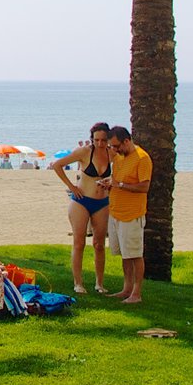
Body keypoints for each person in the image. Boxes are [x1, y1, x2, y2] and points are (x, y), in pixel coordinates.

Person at [50, 122, 116, 294]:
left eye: (103, 140)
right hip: (81, 201)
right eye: (96, 140)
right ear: (91, 139)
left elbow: (124, 169)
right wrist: (72, 187)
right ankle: (78, 283)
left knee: (99, 244)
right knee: (79, 242)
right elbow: (57, 165)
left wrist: (112, 183)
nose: (100, 143)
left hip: (102, 203)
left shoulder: (112, 153)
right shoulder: (85, 152)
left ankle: (99, 284)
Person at [105, 125, 153, 304]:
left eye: (117, 146)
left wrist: (121, 186)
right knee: (124, 254)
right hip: (115, 212)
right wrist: (109, 183)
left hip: (132, 214)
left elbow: (144, 187)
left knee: (134, 254)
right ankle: (126, 288)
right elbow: (117, 180)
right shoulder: (119, 158)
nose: (114, 150)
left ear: (127, 141)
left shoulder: (142, 159)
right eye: (112, 146)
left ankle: (136, 293)